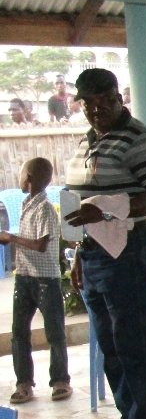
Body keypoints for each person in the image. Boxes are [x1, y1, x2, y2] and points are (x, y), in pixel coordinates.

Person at [64, 68, 146, 419]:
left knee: (134, 343)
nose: (97, 109)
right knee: (110, 345)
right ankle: (131, 418)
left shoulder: (140, 139)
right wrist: (78, 254)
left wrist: (108, 212)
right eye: (89, 103)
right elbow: (82, 208)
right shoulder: (87, 142)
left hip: (129, 251)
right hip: (94, 254)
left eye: (105, 100)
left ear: (118, 97)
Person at [0, 158, 72, 404]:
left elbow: (41, 245)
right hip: (24, 277)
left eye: (21, 174)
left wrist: (11, 238)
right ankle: (24, 384)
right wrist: (11, 238)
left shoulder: (45, 209)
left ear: (28, 178)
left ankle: (60, 381)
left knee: (55, 332)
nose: (19, 178)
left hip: (45, 280)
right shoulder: (26, 204)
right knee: (19, 333)